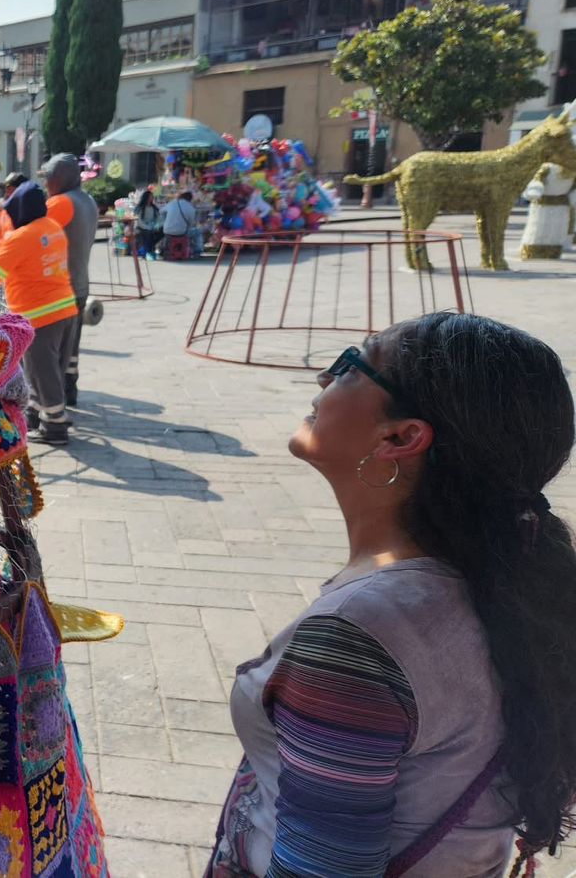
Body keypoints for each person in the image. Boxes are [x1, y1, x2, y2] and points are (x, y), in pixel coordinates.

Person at [208, 313, 576, 877]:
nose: (324, 380)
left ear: (401, 437)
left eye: (352, 364)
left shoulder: (360, 634)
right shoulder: (500, 576)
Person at [0, 191, 78, 446]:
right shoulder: (52, 226)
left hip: (39, 314)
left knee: (41, 371)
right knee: (48, 370)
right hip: (66, 307)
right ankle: (36, 414)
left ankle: (55, 427)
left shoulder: (22, 236)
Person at [42, 154, 98, 408]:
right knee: (72, 345)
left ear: (60, 178)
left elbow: (35, 235)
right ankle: (70, 388)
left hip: (58, 288)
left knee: (51, 349)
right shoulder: (88, 201)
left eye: (49, 178)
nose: (46, 184)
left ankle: (52, 406)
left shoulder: (61, 202)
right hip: (80, 282)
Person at [161, 190, 200, 257]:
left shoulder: (172, 203)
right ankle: (197, 251)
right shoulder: (191, 208)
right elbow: (191, 224)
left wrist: (165, 221)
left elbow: (161, 211)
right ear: (190, 199)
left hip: (167, 230)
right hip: (181, 232)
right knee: (198, 232)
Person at [134, 188, 162, 257]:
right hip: (141, 227)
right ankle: (147, 250)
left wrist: (156, 225)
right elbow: (139, 221)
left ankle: (152, 249)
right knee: (148, 233)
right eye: (150, 197)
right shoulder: (140, 208)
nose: (152, 198)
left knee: (161, 232)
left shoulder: (154, 207)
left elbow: (158, 218)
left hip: (151, 226)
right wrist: (148, 227)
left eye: (152, 197)